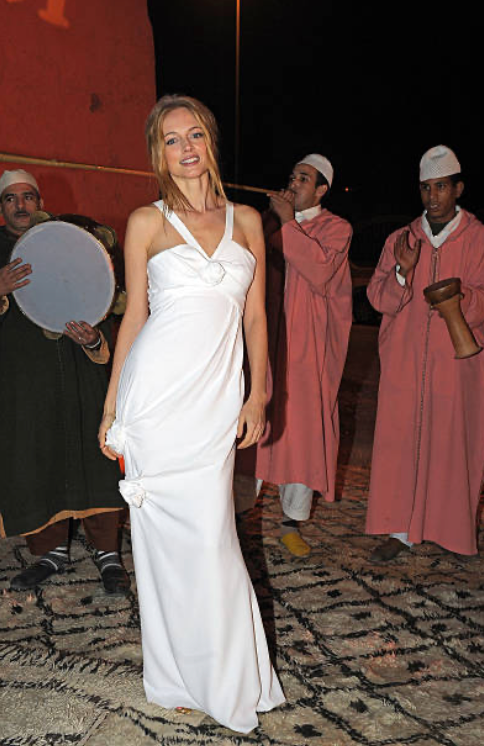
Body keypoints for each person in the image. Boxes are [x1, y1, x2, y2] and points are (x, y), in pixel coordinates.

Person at [99, 95, 285, 733]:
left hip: (215, 400)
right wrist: (112, 407)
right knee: (163, 547)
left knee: (213, 539)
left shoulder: (249, 221)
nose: (186, 148)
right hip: (155, 400)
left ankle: (232, 679)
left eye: (195, 135)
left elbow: (256, 317)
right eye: (172, 139)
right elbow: (134, 317)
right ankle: (177, 676)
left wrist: (258, 394)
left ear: (210, 143)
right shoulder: (144, 222)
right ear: (159, 153)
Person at [0, 169, 129, 595]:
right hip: (22, 389)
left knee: (96, 460)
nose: (21, 205)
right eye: (11, 198)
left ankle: (108, 553)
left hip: (81, 380)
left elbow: (104, 303)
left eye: (28, 196)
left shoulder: (72, 243)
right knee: (35, 460)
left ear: (39, 201)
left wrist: (94, 338)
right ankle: (51, 553)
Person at [366, 145, 484, 561]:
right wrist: (403, 271)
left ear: (458, 189)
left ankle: (450, 531)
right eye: (426, 188)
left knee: (452, 445)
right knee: (400, 444)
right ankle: (398, 531)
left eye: (441, 187)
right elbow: (378, 297)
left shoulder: (477, 238)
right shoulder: (402, 239)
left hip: (455, 364)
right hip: (404, 361)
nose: (433, 196)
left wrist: (461, 297)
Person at [255, 155, 353, 557]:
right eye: (292, 176)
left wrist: (287, 222)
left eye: (304, 178)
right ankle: (237, 514)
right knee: (255, 422)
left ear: (321, 190)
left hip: (307, 349)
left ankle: (291, 523)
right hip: (265, 339)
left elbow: (320, 270)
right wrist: (273, 221)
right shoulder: (267, 222)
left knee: (302, 430)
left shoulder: (337, 228)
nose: (294, 183)